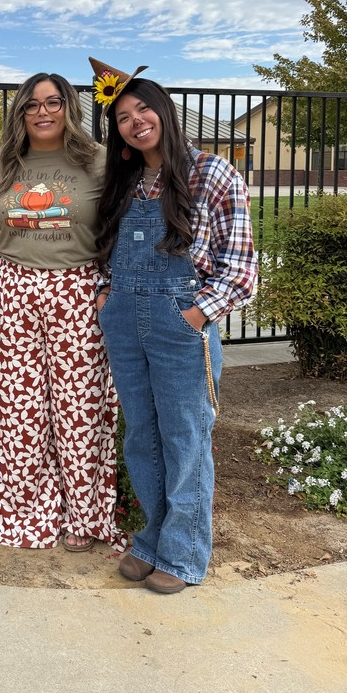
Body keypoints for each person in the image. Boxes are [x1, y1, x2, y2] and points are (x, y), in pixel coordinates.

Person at [90, 57, 258, 594]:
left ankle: (184, 555)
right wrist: (106, 297)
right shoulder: (125, 183)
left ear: (163, 110)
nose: (135, 121)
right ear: (115, 130)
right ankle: (152, 538)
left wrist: (194, 316)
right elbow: (106, 255)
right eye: (122, 117)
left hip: (180, 322)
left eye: (143, 108)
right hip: (124, 322)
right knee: (141, 435)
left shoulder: (212, 173)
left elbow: (241, 269)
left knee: (185, 437)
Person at [0, 72, 123, 552]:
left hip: (78, 290)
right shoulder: (3, 163)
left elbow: (119, 230)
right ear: (19, 112)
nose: (42, 112)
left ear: (68, 107)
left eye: (53, 102)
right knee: (19, 408)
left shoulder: (99, 161)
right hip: (15, 289)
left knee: (78, 407)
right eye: (31, 104)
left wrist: (110, 286)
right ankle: (22, 510)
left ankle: (84, 516)